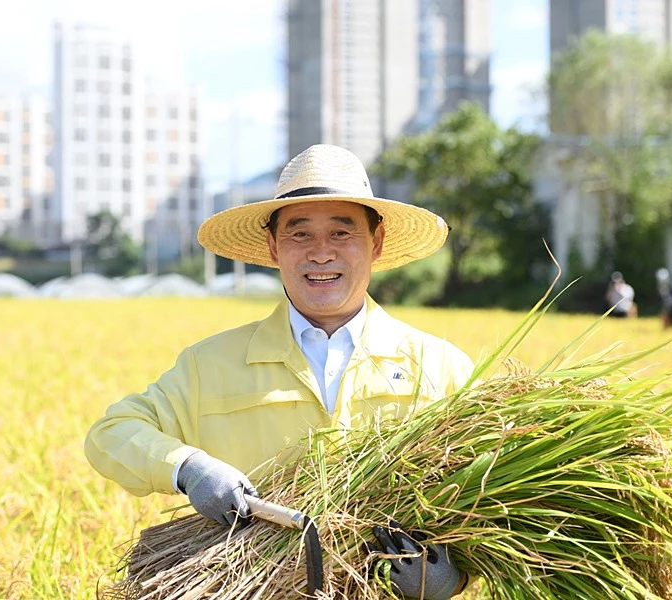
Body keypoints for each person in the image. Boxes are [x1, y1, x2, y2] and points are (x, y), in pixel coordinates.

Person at [85, 144, 475, 599]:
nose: (321, 253)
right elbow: (112, 433)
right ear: (273, 247)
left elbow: (495, 508)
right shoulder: (210, 366)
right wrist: (190, 467)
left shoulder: (442, 368)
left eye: (342, 232)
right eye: (299, 234)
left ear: (377, 242)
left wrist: (451, 580)